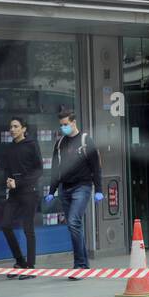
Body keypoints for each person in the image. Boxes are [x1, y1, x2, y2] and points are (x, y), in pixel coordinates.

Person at [49, 107, 103, 279]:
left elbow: (96, 166)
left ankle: (79, 266)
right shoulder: (59, 144)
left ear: (73, 123)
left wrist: (99, 190)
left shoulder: (86, 140)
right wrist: (52, 190)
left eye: (65, 124)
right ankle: (84, 265)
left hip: (82, 187)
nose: (63, 128)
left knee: (73, 222)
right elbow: (55, 169)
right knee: (74, 225)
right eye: (61, 125)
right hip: (65, 188)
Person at [0, 116, 42, 279]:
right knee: (5, 224)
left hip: (29, 192)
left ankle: (31, 267)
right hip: (14, 193)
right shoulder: (10, 148)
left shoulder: (31, 144)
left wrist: (20, 182)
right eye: (11, 126)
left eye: (16, 126)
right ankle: (20, 261)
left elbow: (39, 170)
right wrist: (8, 181)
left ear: (24, 129)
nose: (12, 129)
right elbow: (6, 170)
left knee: (28, 228)